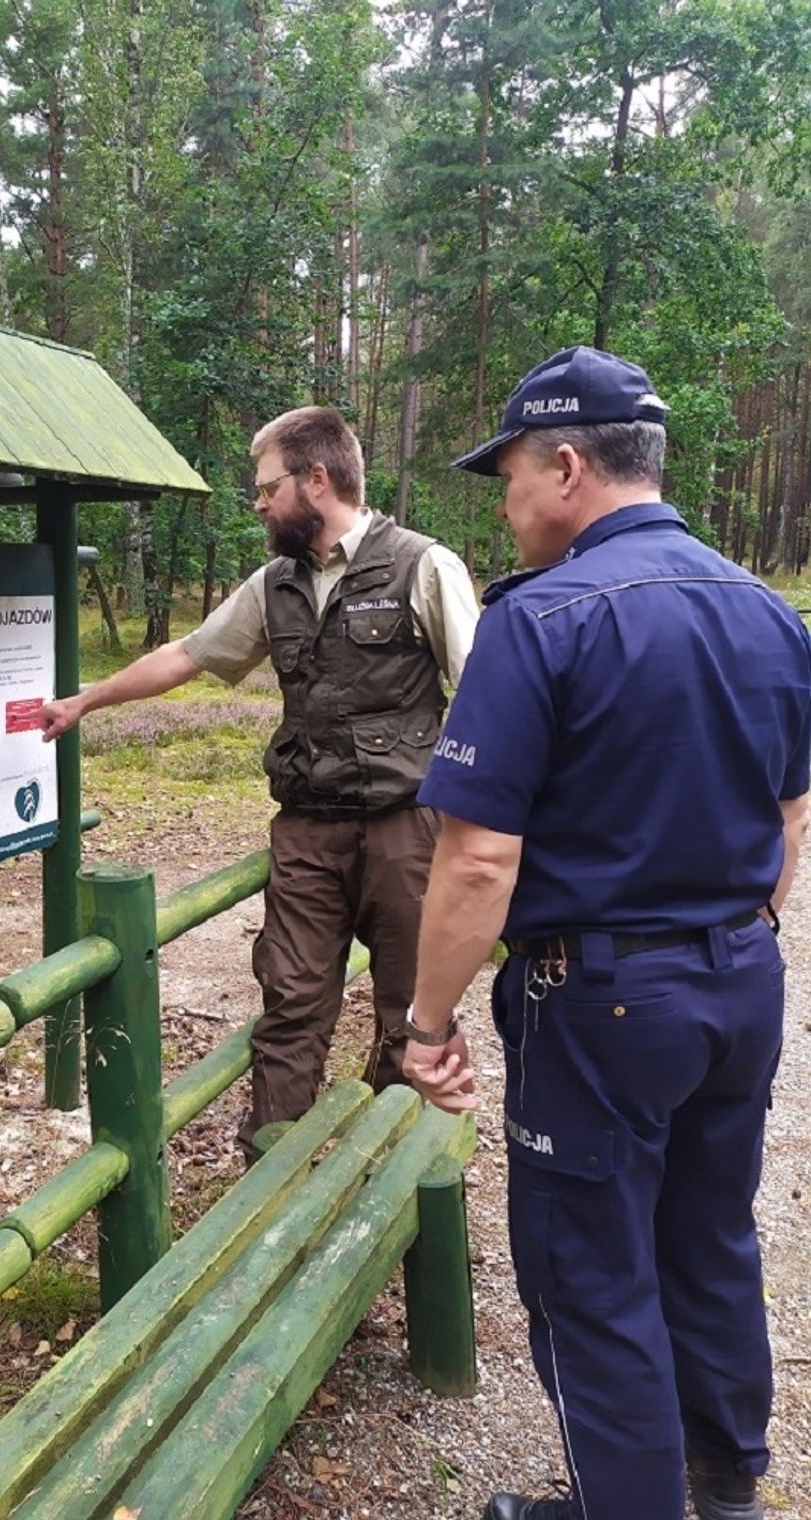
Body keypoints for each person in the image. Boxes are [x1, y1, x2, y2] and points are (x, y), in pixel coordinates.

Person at [401, 345, 811, 1520]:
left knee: (592, 1273)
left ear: (569, 465)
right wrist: (738, 929)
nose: (510, 502)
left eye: (514, 476)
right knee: (711, 1234)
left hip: (600, 1003)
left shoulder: (540, 621)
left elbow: (479, 854)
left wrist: (427, 1022)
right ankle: (724, 1484)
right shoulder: (766, 610)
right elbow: (792, 807)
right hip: (741, 984)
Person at [37, 405, 479, 1160]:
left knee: (411, 1011)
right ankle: (273, 1179)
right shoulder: (272, 585)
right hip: (308, 832)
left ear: (317, 479)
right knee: (292, 1005)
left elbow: (480, 695)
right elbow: (189, 655)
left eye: (266, 487)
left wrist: (486, 836)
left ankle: (403, 1174)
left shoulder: (422, 565)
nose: (259, 503)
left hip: (410, 830)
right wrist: (84, 701)